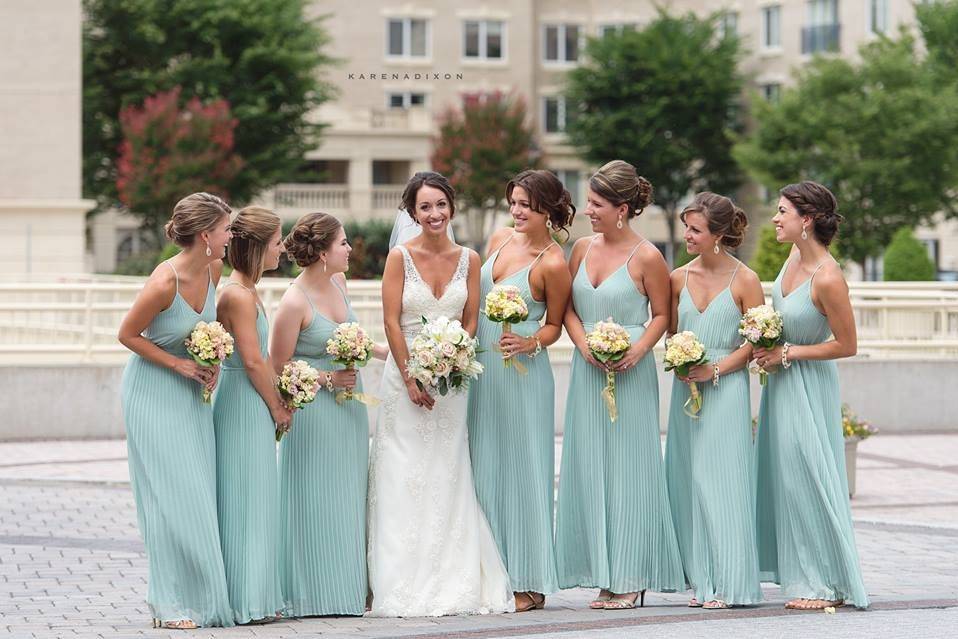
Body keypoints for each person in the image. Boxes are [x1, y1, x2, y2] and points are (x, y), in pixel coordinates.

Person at [366, 171, 513, 617]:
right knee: (402, 469)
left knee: (447, 470)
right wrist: (411, 375)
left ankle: (453, 573)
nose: (434, 214)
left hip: (452, 382)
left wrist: (453, 358)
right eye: (425, 206)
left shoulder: (469, 258)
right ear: (412, 212)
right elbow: (391, 321)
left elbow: (470, 317)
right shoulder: (399, 257)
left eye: (441, 204)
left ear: (452, 207)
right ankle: (396, 578)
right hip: (404, 377)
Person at [555, 160, 685, 609]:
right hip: (586, 368)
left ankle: (630, 574)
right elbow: (567, 309)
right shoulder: (579, 249)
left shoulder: (648, 257)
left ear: (622, 208)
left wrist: (637, 350)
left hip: (630, 373)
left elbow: (663, 315)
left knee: (630, 469)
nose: (587, 210)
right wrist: (583, 345)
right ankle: (602, 572)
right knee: (589, 465)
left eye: (596, 203)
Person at [117, 192, 234, 629]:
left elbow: (206, 328)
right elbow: (128, 334)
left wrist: (213, 361)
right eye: (226, 229)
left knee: (197, 494)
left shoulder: (214, 269)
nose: (230, 235)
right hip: (153, 394)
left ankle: (201, 595)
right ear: (206, 235)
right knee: (168, 498)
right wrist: (179, 363)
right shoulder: (164, 282)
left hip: (191, 397)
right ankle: (167, 605)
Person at [752, 181, 869, 610]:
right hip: (781, 385)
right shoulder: (790, 260)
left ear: (808, 220)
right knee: (785, 477)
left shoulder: (830, 277)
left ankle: (821, 582)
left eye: (783, 211)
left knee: (810, 477)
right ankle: (800, 573)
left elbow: (847, 344)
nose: (776, 218)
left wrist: (788, 351)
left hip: (808, 386)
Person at [270, 212, 386, 616]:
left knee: (349, 497)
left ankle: (348, 591)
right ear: (321, 253)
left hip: (349, 413)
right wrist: (326, 379)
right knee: (314, 499)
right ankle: (309, 594)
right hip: (314, 416)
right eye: (342, 243)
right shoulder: (293, 302)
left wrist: (396, 355)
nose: (350, 249)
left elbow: (355, 339)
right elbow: (277, 365)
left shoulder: (339, 282)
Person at [664, 192, 765, 609]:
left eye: (695, 229)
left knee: (723, 481)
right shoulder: (676, 279)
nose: (686, 235)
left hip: (726, 390)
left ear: (718, 234)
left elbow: (755, 341)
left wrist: (716, 369)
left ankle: (731, 581)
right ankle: (701, 579)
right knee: (689, 481)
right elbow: (671, 333)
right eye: (686, 226)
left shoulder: (746, 280)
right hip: (686, 390)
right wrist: (681, 358)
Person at [212, 206, 291, 623]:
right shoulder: (237, 295)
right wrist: (278, 406)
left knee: (257, 496)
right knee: (246, 496)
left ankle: (256, 593)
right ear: (259, 247)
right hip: (242, 402)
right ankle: (246, 600)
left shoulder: (247, 290)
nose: (283, 249)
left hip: (248, 398)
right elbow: (254, 361)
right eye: (278, 241)